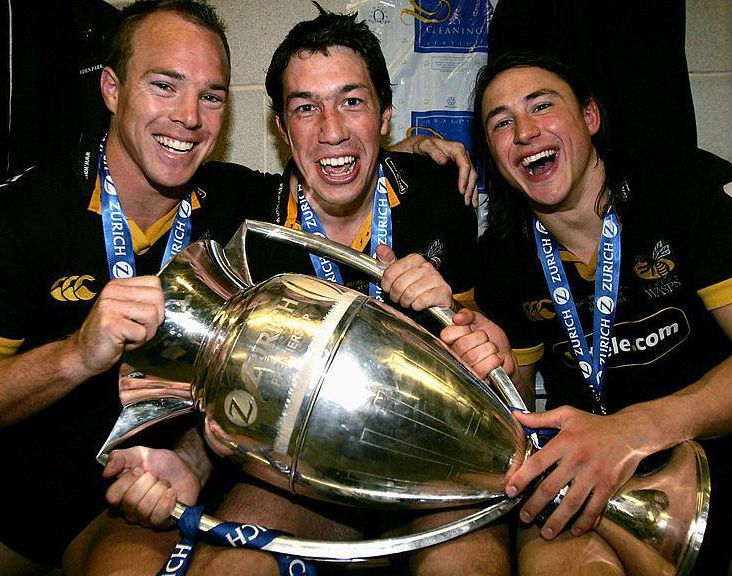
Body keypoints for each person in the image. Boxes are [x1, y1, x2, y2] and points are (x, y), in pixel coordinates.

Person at [0, 2, 477, 574]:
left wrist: (416, 151)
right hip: (2, 484)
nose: (187, 117)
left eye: (210, 96)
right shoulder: (18, 216)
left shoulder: (241, 207)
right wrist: (74, 356)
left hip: (145, 490)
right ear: (111, 88)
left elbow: (334, 175)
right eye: (163, 85)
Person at [103, 7, 508, 576]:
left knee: (468, 565)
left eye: (352, 101)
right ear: (280, 126)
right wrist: (194, 455)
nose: (332, 130)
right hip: (301, 487)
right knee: (230, 569)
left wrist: (466, 333)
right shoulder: (237, 215)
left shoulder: (438, 194)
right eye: (305, 107)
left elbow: (486, 359)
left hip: (432, 468)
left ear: (385, 114)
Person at [439, 51, 732, 576]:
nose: (525, 131)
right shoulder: (502, 257)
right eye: (501, 123)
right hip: (582, 494)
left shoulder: (689, 189)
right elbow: (519, 424)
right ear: (492, 152)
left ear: (590, 117)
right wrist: (495, 371)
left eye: (542, 106)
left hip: (728, 475)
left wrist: (631, 430)